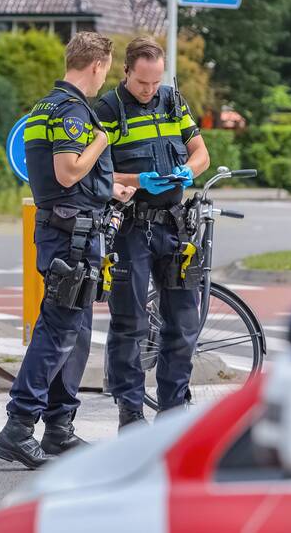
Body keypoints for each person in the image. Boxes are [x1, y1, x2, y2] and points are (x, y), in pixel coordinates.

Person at [0, 31, 135, 469]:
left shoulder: (43, 109)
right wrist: (101, 142)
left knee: (74, 335)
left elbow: (64, 180)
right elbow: (68, 171)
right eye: (106, 70)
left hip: (71, 231)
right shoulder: (73, 112)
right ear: (97, 65)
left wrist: (110, 188)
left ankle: (59, 429)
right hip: (71, 237)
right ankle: (19, 428)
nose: (104, 77)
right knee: (57, 333)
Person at [94, 37, 211, 429]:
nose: (149, 90)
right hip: (132, 228)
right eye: (143, 83)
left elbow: (201, 152)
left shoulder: (173, 101)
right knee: (130, 322)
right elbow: (99, 172)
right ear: (126, 72)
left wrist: (187, 172)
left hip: (175, 226)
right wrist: (139, 179)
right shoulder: (107, 110)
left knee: (182, 321)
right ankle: (130, 413)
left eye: (155, 82)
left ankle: (174, 412)